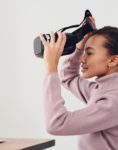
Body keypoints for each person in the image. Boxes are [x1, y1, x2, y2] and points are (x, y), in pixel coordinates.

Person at [39, 17, 118, 150]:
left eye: (89, 53)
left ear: (113, 60)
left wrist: (51, 66)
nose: (82, 58)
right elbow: (67, 76)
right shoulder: (99, 90)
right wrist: (79, 47)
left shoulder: (112, 101)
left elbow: (57, 124)